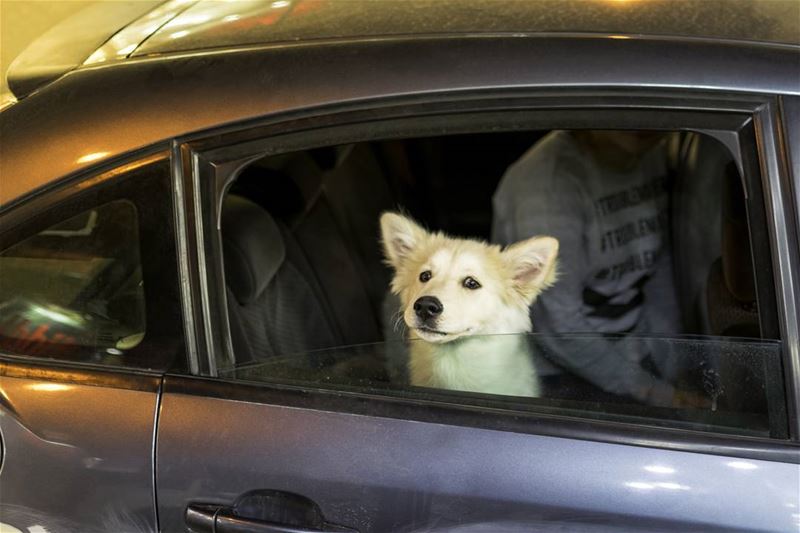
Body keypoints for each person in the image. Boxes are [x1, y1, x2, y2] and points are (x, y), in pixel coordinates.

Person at [492, 130, 684, 405]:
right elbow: (558, 325)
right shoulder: (546, 187)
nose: (640, 121)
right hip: (559, 371)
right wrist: (657, 392)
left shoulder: (648, 149)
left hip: (634, 350)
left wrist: (675, 367)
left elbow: (657, 271)